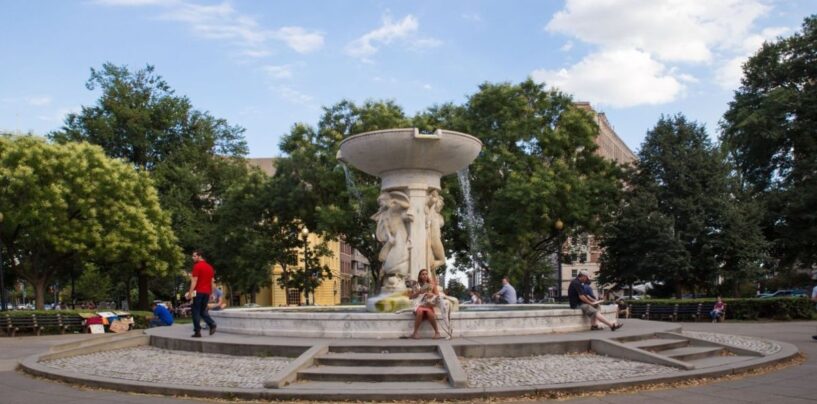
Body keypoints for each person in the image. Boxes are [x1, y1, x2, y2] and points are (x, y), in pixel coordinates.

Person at [186, 249, 217, 338]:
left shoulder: (197, 266)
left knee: (195, 311)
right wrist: (211, 293)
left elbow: (194, 280)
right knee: (202, 311)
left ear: (200, 256)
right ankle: (212, 324)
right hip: (206, 293)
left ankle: (197, 332)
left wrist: (190, 293)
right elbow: (212, 282)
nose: (193, 258)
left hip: (198, 292)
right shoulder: (210, 267)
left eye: (194, 256)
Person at [408, 269, 442, 339]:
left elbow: (438, 296)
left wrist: (431, 294)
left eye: (426, 274)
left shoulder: (432, 285)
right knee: (420, 311)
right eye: (423, 274)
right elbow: (410, 297)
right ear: (420, 276)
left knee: (429, 313)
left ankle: (437, 333)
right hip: (418, 305)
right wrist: (419, 292)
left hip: (428, 305)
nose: (425, 275)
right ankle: (415, 333)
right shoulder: (416, 285)